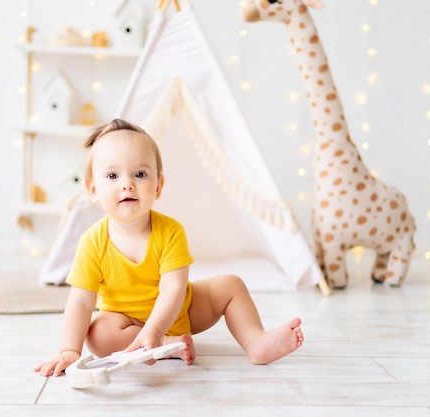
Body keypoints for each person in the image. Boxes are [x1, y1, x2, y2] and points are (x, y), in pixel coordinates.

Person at [34, 119, 304, 377]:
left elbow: (174, 288)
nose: (127, 183)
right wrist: (69, 350)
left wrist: (154, 328)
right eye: (113, 175)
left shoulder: (170, 231)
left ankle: (255, 341)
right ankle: (165, 345)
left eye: (140, 174)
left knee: (231, 285)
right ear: (93, 189)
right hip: (127, 323)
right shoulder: (91, 242)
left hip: (181, 310)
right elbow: (81, 301)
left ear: (158, 186)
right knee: (97, 333)